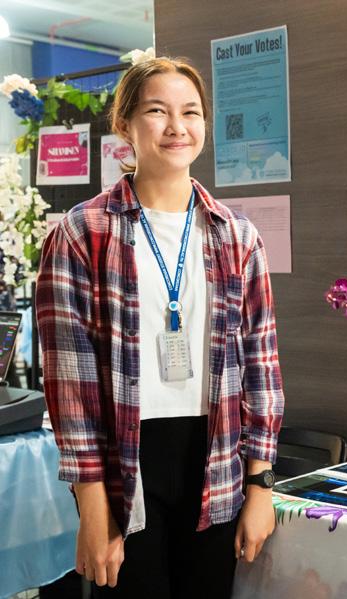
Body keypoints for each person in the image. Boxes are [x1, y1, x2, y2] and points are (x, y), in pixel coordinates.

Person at [35, 56, 285, 598]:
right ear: (124, 124)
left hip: (217, 458)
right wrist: (93, 510)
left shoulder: (238, 236)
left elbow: (261, 366)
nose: (177, 127)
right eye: (157, 111)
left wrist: (261, 485)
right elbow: (70, 389)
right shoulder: (82, 232)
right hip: (126, 465)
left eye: (190, 112)